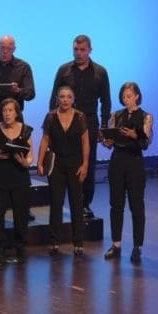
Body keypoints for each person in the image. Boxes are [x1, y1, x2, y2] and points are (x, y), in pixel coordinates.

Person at [49, 35, 111, 220]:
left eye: (82, 50)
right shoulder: (64, 70)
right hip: (65, 123)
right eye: (75, 49)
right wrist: (52, 124)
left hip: (89, 122)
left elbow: (106, 101)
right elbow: (54, 98)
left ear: (90, 50)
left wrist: (104, 126)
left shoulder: (100, 72)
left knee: (88, 163)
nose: (78, 53)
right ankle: (61, 204)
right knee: (62, 161)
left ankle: (84, 204)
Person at [36, 86, 90, 257]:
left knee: (76, 203)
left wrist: (85, 164)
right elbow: (45, 140)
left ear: (73, 99)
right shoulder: (51, 117)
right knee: (56, 202)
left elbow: (85, 142)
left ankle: (78, 243)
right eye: (62, 97)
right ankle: (54, 242)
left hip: (75, 163)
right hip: (56, 163)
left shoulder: (80, 117)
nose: (65, 100)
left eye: (68, 97)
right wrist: (39, 162)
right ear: (57, 99)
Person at [101, 82, 152, 264]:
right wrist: (107, 141)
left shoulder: (145, 117)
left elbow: (146, 143)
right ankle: (116, 244)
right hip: (117, 161)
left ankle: (138, 246)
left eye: (129, 96)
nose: (126, 99)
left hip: (134, 161)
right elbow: (110, 141)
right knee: (116, 205)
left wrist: (134, 135)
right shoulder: (116, 115)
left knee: (136, 206)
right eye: (123, 96)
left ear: (137, 96)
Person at [0, 98, 33, 266]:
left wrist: (25, 162)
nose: (7, 114)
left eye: (10, 110)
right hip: (0, 175)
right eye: (4, 111)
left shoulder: (25, 130)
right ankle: (1, 246)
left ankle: (20, 246)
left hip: (19, 175)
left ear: (17, 113)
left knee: (21, 213)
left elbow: (30, 155)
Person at [0, 35, 35, 119]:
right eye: (2, 48)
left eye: (9, 48)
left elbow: (30, 94)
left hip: (14, 117)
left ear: (14, 49)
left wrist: (18, 90)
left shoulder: (23, 67)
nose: (5, 51)